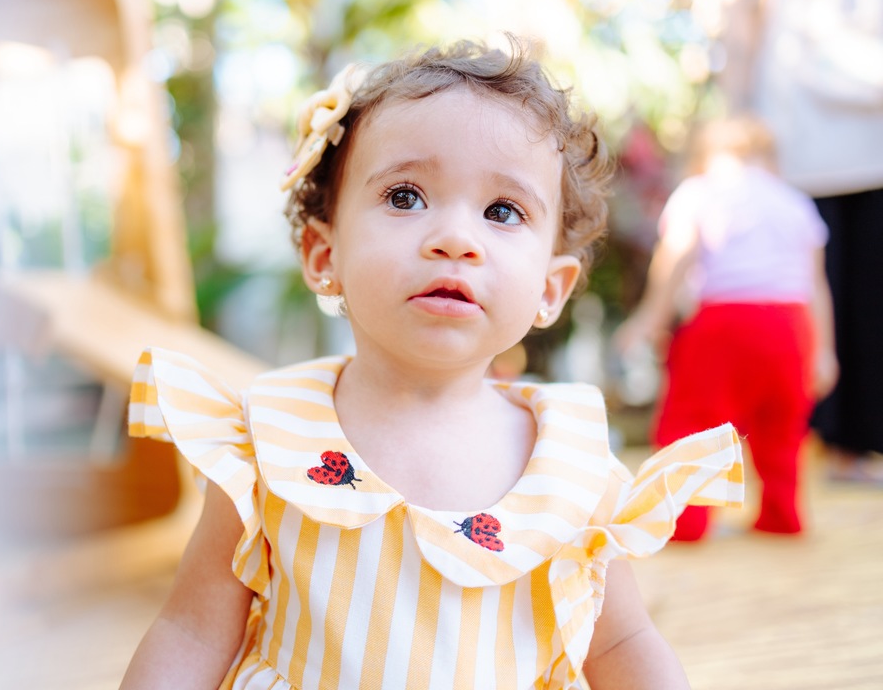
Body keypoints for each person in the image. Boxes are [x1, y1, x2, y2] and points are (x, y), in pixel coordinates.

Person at [120, 39, 744, 690]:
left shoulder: (571, 464)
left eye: (502, 211)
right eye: (405, 196)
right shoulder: (273, 435)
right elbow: (192, 629)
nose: (454, 238)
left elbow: (619, 643)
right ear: (321, 252)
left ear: (550, 289)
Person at [697, 0, 883, 482]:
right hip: (804, 131)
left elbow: (741, 8)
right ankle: (842, 444)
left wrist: (738, 107)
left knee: (820, 285)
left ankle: (839, 446)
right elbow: (744, 5)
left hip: (802, 127)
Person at [617, 115, 836, 541]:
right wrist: (824, 351)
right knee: (781, 425)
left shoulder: (700, 193)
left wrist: (650, 318)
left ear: (704, 156)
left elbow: (676, 259)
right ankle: (780, 513)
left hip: (723, 322)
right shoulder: (795, 202)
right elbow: (816, 285)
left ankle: (687, 521)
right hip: (790, 327)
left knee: (694, 421)